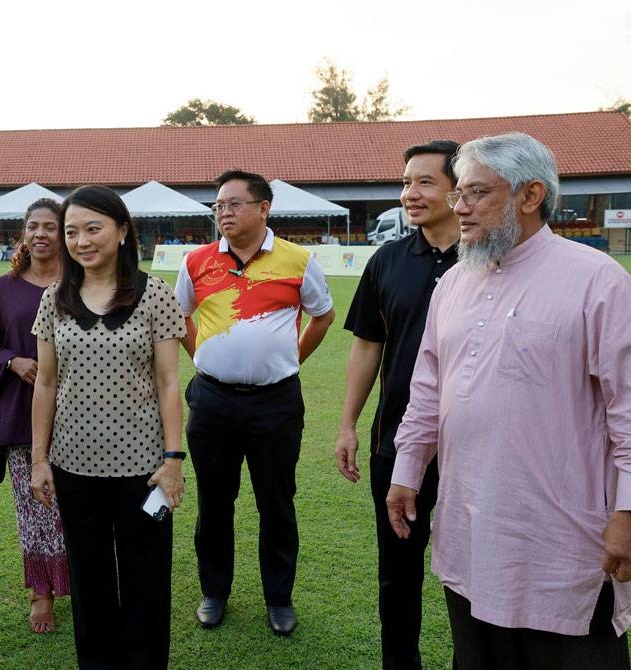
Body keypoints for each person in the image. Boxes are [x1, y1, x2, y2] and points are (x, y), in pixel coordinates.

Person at [387, 132, 631, 669]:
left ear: (530, 195)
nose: (461, 208)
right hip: (470, 519)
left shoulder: (599, 282)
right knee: (477, 654)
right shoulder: (454, 282)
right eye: (459, 196)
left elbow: (628, 410)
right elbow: (428, 388)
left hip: (563, 533)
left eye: (476, 193)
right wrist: (408, 469)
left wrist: (627, 512)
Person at [174, 169, 335, 636]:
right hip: (213, 402)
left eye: (234, 203)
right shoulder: (196, 261)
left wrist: (290, 360)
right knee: (214, 503)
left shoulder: (298, 260)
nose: (224, 212)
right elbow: (180, 316)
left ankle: (278, 599)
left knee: (277, 503)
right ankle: (214, 592)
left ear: (264, 208)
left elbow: (322, 317)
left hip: (276, 403)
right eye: (218, 205)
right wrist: (203, 357)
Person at [30, 185, 185, 668]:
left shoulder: (154, 294)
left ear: (122, 231)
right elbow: (46, 384)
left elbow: (168, 383)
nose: (81, 241)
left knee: (147, 580)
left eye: (93, 228)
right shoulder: (55, 299)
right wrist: (39, 459)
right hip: (74, 468)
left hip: (144, 472)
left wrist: (173, 460)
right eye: (72, 231)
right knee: (90, 579)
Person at [335, 140, 460, 669]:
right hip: (399, 444)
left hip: (473, 445)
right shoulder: (387, 260)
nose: (410, 193)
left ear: (460, 189)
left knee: (475, 569)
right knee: (398, 568)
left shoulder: (488, 258)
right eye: (406, 182)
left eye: (424, 182)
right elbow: (368, 344)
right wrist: (348, 424)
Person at [0, 198, 70, 634]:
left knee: (78, 506)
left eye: (51, 227)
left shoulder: (81, 284)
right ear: (23, 233)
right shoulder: (5, 288)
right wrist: (13, 361)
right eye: (33, 226)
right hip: (20, 412)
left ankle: (81, 580)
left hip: (80, 413)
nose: (41, 234)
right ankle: (41, 593)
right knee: (35, 505)